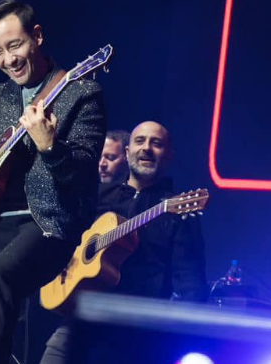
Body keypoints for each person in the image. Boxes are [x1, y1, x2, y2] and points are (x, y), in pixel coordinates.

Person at [0, 0, 106, 364]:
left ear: (37, 37)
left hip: (48, 224)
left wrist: (50, 146)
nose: (8, 60)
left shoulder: (80, 92)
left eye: (15, 46)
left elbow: (82, 176)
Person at [39, 120, 207, 364]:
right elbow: (59, 235)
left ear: (168, 156)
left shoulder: (178, 211)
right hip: (81, 320)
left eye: (156, 143)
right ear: (127, 152)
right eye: (140, 141)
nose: (146, 148)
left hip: (137, 334)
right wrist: (62, 261)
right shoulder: (98, 196)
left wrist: (180, 338)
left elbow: (192, 284)